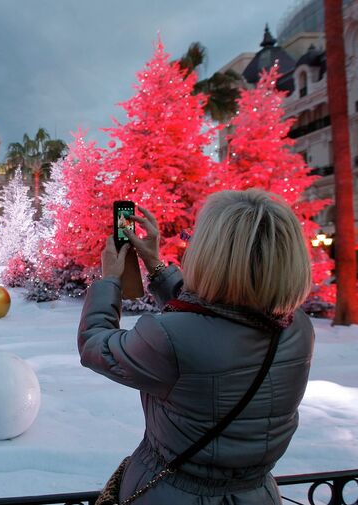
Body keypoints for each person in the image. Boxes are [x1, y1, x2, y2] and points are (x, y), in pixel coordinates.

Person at [77, 190, 314, 504]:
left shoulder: (169, 338)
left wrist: (108, 280)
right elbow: (221, 315)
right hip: (256, 496)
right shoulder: (298, 328)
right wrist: (154, 264)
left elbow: (95, 345)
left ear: (211, 256)